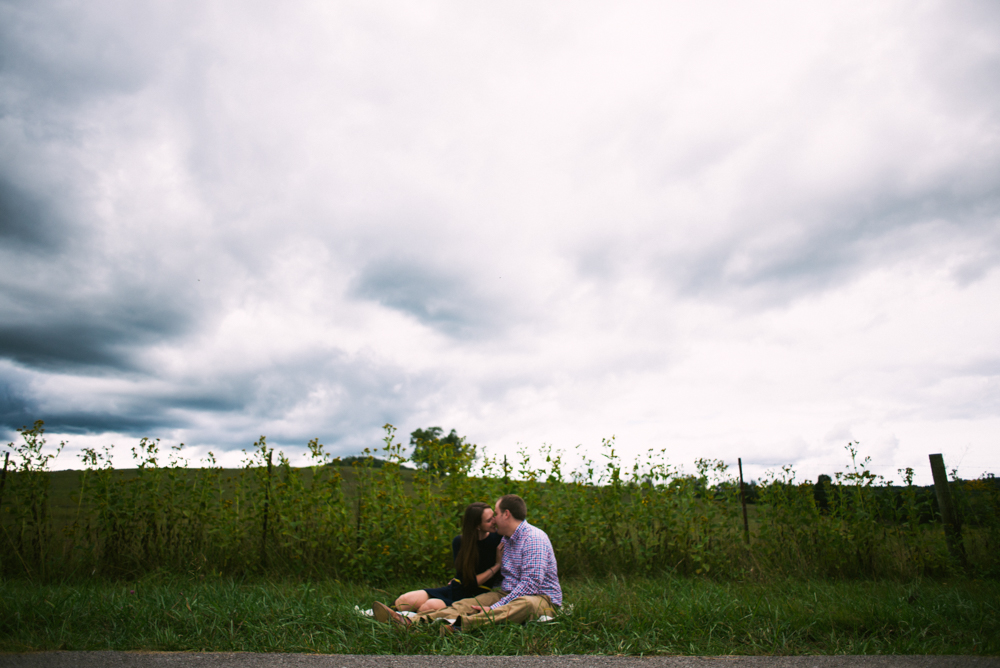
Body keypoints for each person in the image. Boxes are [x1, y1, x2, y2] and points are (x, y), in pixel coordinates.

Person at [373, 494, 562, 631]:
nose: (494, 519)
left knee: (525, 604)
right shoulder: (506, 540)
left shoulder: (534, 538)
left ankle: (459, 627)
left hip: (541, 599)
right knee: (468, 604)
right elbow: (506, 575)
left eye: (495, 513)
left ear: (506, 514)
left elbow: (531, 584)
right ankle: (409, 622)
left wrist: (495, 606)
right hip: (507, 593)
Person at [392, 502, 504, 613]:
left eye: (493, 516)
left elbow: (473, 585)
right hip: (457, 588)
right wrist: (496, 566)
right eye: (489, 520)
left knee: (428, 606)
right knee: (404, 601)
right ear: (477, 525)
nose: (495, 521)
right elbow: (467, 580)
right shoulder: (460, 542)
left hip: (477, 594)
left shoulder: (499, 538)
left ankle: (407, 619)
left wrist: (497, 566)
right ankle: (390, 614)